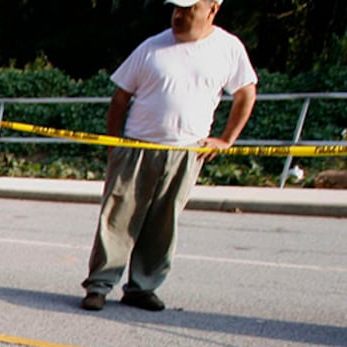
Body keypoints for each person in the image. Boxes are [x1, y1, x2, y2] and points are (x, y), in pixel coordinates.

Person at [80, 0, 256, 312]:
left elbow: (246, 94)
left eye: (188, 8)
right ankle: (99, 285)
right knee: (118, 218)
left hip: (186, 150)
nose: (179, 14)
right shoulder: (152, 47)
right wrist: (115, 144)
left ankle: (142, 287)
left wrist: (226, 140)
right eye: (175, 8)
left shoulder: (228, 48)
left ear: (212, 9)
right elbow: (120, 98)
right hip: (137, 146)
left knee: (164, 222)